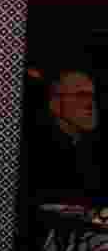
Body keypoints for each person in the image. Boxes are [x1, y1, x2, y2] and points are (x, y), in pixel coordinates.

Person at [23, 68, 104, 205]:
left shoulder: (89, 148)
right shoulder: (38, 154)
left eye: (93, 96)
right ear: (54, 104)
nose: (91, 103)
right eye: (81, 95)